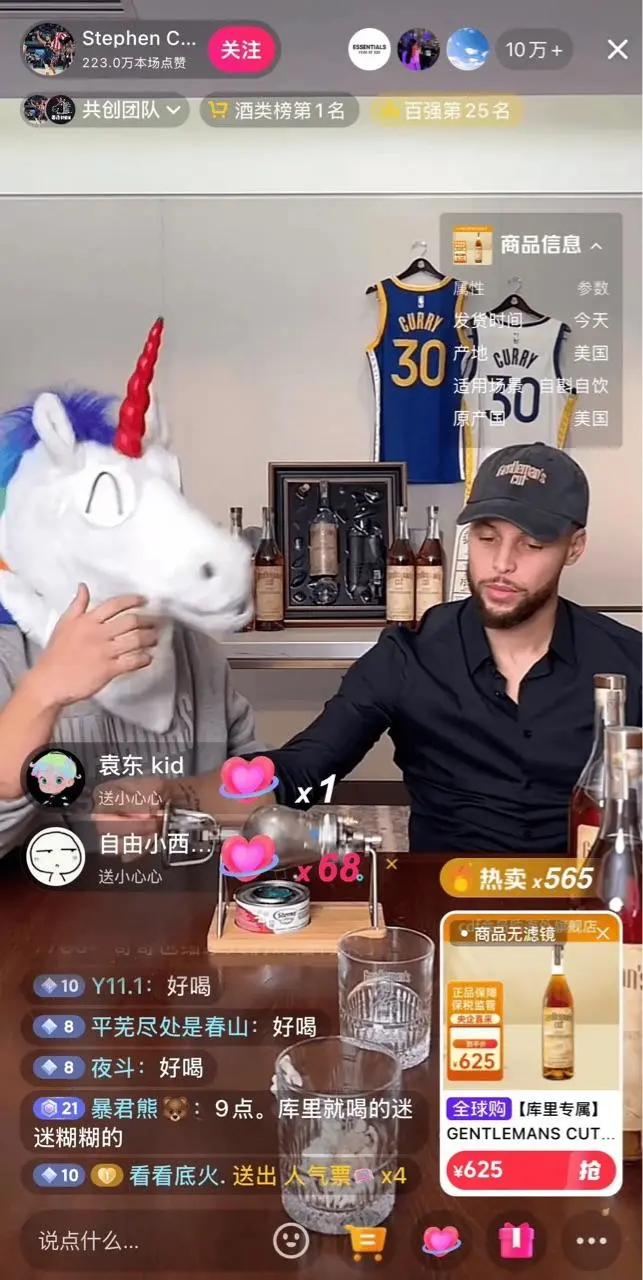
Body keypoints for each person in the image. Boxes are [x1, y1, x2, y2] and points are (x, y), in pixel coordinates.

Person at [78, 442, 640, 858]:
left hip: (593, 907)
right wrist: (171, 793)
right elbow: (300, 772)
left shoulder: (628, 663)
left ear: (575, 548)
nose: (502, 564)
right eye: (487, 538)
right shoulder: (408, 656)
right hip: (443, 904)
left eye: (532, 544)